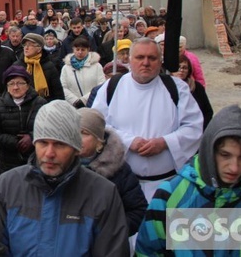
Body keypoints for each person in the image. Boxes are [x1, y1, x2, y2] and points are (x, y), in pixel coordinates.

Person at [136, 105, 241, 255]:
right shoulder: (169, 196)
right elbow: (147, 251)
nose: (234, 167)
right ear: (209, 151)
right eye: (225, 155)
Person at [0, 100, 129, 256]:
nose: (49, 153)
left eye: (60, 144)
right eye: (43, 142)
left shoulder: (103, 194)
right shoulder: (7, 186)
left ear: (76, 148)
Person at [92, 37, 203, 200]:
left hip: (168, 185)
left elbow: (194, 127)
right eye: (140, 57)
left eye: (152, 58)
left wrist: (165, 142)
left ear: (160, 61)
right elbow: (97, 126)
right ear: (130, 60)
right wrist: (130, 142)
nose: (146, 63)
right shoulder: (112, 87)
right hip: (124, 187)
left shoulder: (177, 88)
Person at [77, 108, 147, 237]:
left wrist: (110, 233)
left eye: (84, 133)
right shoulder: (62, 165)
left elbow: (138, 211)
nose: (77, 138)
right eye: (73, 132)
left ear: (99, 141)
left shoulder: (119, 170)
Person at [0, 66, 47, 174]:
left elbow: (48, 129)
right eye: (11, 84)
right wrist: (16, 143)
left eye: (20, 83)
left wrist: (32, 138)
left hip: (36, 160)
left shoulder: (40, 103)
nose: (15, 87)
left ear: (28, 85)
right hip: (8, 164)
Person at [17, 33, 64, 101]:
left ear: (39, 49)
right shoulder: (17, 66)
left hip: (46, 105)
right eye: (25, 45)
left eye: (30, 45)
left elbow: (58, 92)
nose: (26, 48)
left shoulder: (49, 66)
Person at [60, 36, 105, 108]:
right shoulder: (66, 68)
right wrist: (75, 101)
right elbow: (63, 87)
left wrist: (84, 100)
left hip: (92, 104)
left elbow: (101, 85)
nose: (80, 52)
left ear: (88, 50)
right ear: (73, 49)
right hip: (72, 106)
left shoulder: (97, 66)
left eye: (83, 50)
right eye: (77, 49)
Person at [173, 54, 213, 130]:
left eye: (184, 68)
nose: (181, 70)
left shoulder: (197, 87)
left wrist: (201, 128)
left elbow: (207, 111)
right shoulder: (166, 86)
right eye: (178, 67)